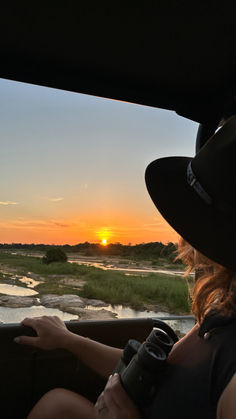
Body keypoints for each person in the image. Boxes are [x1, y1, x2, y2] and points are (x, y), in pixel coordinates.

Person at [14, 114, 236, 418]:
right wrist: (68, 339)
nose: (182, 240)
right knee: (58, 403)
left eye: (191, 219)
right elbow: (158, 374)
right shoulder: (222, 311)